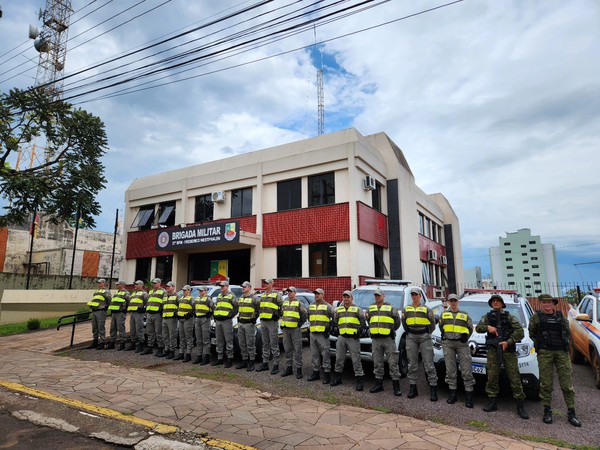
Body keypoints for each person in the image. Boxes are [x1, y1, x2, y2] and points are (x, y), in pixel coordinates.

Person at [528, 294, 581, 427]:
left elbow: (567, 332)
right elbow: (532, 333)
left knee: (567, 384)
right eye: (544, 303)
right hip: (545, 353)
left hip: (561, 353)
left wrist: (562, 343)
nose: (547, 305)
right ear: (541, 304)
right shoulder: (536, 317)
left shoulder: (560, 316)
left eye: (549, 303)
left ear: (553, 304)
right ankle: (547, 411)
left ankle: (571, 412)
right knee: (546, 384)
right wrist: (540, 344)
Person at [476, 293, 529, 419]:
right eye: (493, 301)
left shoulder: (510, 317)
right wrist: (487, 327)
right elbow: (478, 328)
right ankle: (492, 401)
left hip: (508, 351)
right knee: (492, 376)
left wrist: (508, 342)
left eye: (497, 301)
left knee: (514, 377)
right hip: (493, 351)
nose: (495, 303)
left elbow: (520, 332)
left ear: (502, 304)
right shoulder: (487, 317)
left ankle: (520, 405)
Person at [438, 293, 475, 407]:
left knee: (466, 370)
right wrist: (445, 335)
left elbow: (470, 328)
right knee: (450, 370)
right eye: (451, 301)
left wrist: (465, 337)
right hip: (448, 344)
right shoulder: (444, 314)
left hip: (461, 344)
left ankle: (469, 395)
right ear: (448, 302)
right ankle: (452, 393)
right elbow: (441, 327)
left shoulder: (464, 314)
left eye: (455, 301)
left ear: (458, 302)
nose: (453, 303)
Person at [402, 287, 438, 401]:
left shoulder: (426, 309)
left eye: (416, 294)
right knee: (412, 364)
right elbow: (404, 323)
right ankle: (413, 388)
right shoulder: (406, 309)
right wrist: (409, 332)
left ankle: (433, 389)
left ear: (420, 296)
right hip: (411, 337)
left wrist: (426, 333)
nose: (414, 297)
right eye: (412, 295)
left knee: (428, 364)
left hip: (424, 337)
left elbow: (432, 324)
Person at [368, 288, 402, 396]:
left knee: (393, 362)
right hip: (376, 339)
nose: (377, 297)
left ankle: (396, 386)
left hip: (388, 339)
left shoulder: (391, 308)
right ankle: (378, 384)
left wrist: (391, 330)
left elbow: (397, 322)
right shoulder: (371, 308)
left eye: (379, 295)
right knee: (377, 362)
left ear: (383, 296)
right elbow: (369, 320)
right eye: (375, 295)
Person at [331, 290, 366, 391]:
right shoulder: (338, 310)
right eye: (344, 297)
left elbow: (363, 323)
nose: (346, 299)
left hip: (353, 338)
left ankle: (359, 381)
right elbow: (335, 321)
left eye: (348, 297)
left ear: (352, 298)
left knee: (356, 360)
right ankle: (338, 378)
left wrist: (358, 332)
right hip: (342, 337)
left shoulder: (357, 309)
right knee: (339, 358)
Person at [280, 287, 308, 379]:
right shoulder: (285, 302)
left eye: (291, 292)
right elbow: (282, 314)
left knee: (297, 349)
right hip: (286, 330)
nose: (289, 293)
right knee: (287, 349)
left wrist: (299, 324)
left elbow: (304, 315)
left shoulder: (299, 303)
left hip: (295, 330)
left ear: (295, 293)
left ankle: (299, 369)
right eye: (288, 292)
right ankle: (289, 368)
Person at [256, 278, 283, 374]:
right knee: (265, 343)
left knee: (274, 343)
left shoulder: (276, 294)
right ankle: (265, 363)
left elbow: (282, 306)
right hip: (263, 321)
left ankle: (276, 364)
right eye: (265, 283)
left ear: (272, 284)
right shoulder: (263, 295)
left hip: (272, 322)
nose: (266, 284)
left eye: (267, 283)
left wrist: (278, 316)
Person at [307, 288, 334, 384]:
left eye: (318, 294)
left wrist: (329, 327)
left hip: (322, 334)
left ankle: (327, 374)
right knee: (314, 354)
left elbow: (335, 317)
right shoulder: (311, 305)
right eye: (315, 294)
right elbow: (308, 316)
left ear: (323, 295)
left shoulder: (327, 306)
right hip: (313, 333)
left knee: (325, 354)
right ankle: (316, 373)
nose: (316, 295)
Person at [212, 281, 239, 368]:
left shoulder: (232, 296)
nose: (221, 287)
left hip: (226, 321)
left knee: (228, 340)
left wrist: (230, 315)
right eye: (221, 286)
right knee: (219, 340)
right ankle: (219, 358)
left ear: (227, 286)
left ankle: (229, 358)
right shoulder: (219, 295)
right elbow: (217, 307)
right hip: (218, 320)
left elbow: (236, 307)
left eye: (223, 286)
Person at [236, 281, 260, 371]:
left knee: (250, 343)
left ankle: (251, 362)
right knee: (242, 343)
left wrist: (254, 318)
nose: (243, 288)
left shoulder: (254, 298)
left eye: (244, 287)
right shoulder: (241, 298)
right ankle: (244, 360)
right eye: (242, 287)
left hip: (249, 324)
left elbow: (259, 309)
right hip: (241, 323)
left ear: (249, 288)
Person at [142, 278, 166, 356]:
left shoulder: (163, 291)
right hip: (149, 313)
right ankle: (150, 347)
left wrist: (161, 311)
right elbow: (148, 302)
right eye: (153, 283)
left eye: (155, 283)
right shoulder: (151, 291)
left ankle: (160, 348)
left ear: (159, 283)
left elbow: (164, 303)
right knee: (150, 332)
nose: (153, 284)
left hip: (157, 314)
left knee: (158, 332)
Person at [86, 279, 111, 350]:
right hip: (94, 310)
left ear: (104, 283)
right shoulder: (96, 292)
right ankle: (95, 341)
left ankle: (102, 342)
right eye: (98, 283)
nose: (98, 284)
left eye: (100, 283)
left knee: (101, 327)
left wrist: (106, 308)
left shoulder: (106, 292)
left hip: (101, 310)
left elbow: (109, 301)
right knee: (94, 327)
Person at [192, 286, 214, 365]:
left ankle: (206, 356)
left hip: (205, 320)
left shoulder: (208, 299)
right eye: (199, 291)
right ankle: (199, 355)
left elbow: (214, 308)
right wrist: (194, 314)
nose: (200, 292)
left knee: (205, 339)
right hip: (197, 319)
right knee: (198, 339)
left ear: (205, 291)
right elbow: (193, 308)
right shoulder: (197, 299)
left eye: (201, 291)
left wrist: (210, 314)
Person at [106, 280, 130, 350]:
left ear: (122, 285)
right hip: (114, 312)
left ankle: (123, 342)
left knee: (120, 327)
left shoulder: (126, 293)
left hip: (121, 312)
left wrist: (125, 311)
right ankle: (112, 342)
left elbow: (129, 302)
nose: (117, 285)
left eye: (118, 284)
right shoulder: (116, 293)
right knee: (113, 328)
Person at [175, 285, 195, 362]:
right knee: (181, 337)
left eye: (185, 290)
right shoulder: (181, 298)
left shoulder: (191, 298)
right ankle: (181, 353)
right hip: (181, 319)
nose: (183, 291)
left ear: (189, 290)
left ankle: (188, 354)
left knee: (188, 337)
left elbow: (194, 308)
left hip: (188, 320)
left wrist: (189, 314)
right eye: (183, 290)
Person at [127, 280, 148, 352]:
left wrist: (143, 309)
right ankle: (133, 342)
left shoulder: (144, 294)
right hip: (132, 313)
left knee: (139, 329)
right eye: (135, 284)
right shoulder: (133, 293)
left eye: (137, 284)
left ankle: (141, 344)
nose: (135, 285)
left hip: (139, 313)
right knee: (132, 328)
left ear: (141, 285)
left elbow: (147, 303)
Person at [161, 281, 180, 359]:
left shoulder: (177, 296)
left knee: (172, 335)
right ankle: (166, 349)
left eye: (169, 286)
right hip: (165, 318)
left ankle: (172, 351)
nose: (167, 288)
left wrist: (176, 313)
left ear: (173, 287)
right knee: (165, 335)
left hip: (172, 319)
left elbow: (180, 306)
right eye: (167, 286)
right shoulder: (165, 296)